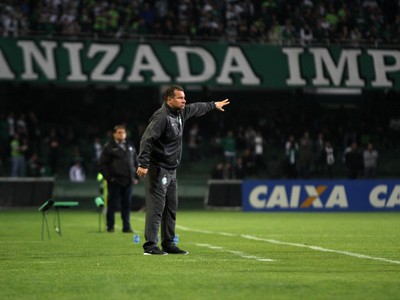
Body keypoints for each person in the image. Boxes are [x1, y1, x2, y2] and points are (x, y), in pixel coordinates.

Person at [136, 85, 230, 255]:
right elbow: (146, 139)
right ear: (169, 99)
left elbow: (195, 108)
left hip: (171, 170)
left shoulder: (180, 113)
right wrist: (143, 163)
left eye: (184, 97)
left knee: (171, 207)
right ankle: (150, 246)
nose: (184, 101)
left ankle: (168, 243)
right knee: (156, 208)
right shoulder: (162, 116)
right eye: (180, 98)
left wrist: (213, 104)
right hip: (158, 168)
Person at [98, 125, 139, 233]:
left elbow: (135, 162)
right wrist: (109, 178)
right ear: (114, 134)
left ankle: (126, 227)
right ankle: (110, 226)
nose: (121, 134)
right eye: (119, 132)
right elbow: (102, 164)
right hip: (115, 181)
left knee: (127, 205)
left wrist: (136, 176)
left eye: (123, 132)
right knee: (112, 204)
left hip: (128, 181)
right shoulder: (109, 146)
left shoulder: (130, 145)